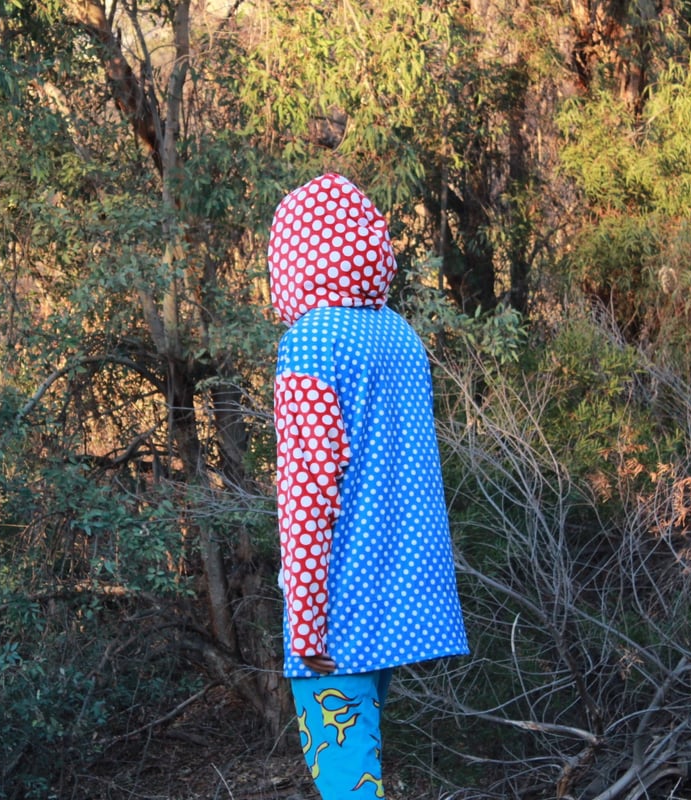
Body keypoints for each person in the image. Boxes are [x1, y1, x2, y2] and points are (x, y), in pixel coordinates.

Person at [268, 173, 469, 798]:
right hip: (395, 606)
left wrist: (305, 624)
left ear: (293, 256)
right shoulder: (400, 337)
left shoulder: (311, 345)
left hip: (335, 616)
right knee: (362, 778)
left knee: (350, 789)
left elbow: (309, 490)